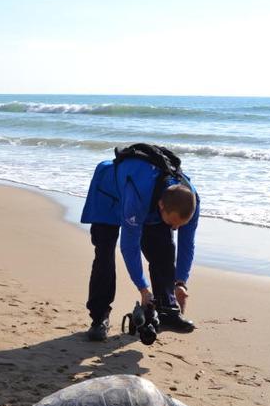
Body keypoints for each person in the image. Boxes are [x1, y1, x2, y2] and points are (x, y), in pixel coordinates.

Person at [80, 144, 200, 342]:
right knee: (105, 254)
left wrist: (181, 283)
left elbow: (187, 243)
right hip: (108, 193)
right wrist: (143, 288)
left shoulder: (191, 199)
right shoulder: (138, 196)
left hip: (151, 197)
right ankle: (99, 317)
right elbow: (129, 246)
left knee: (163, 248)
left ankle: (166, 310)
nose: (176, 229)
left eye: (180, 225)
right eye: (173, 223)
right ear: (161, 205)